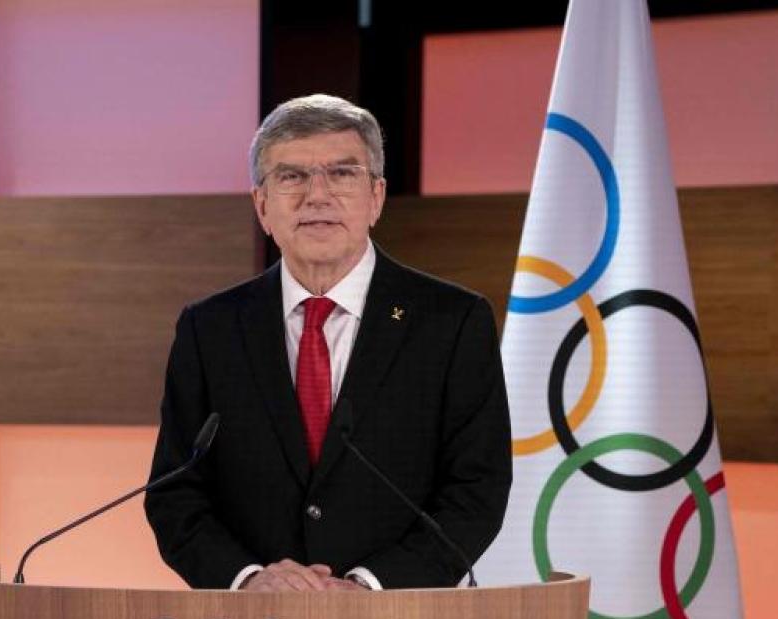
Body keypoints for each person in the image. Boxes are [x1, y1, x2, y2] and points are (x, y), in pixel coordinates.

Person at [144, 94, 511, 591]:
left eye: (342, 174)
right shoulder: (209, 329)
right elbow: (174, 492)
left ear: (376, 197)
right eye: (291, 176)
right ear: (262, 205)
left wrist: (371, 584)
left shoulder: (452, 322)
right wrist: (248, 579)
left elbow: (476, 491)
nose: (317, 195)